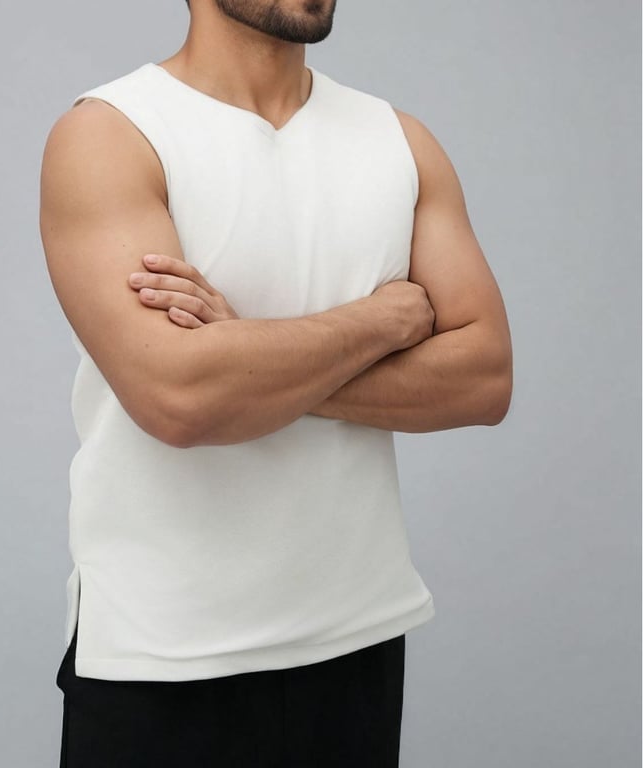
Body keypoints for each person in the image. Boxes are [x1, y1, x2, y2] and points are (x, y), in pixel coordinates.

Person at [39, 1, 513, 765]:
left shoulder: (400, 141)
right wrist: (380, 322)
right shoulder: (112, 134)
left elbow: (485, 377)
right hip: (164, 654)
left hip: (356, 638)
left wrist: (245, 358)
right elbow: (181, 401)